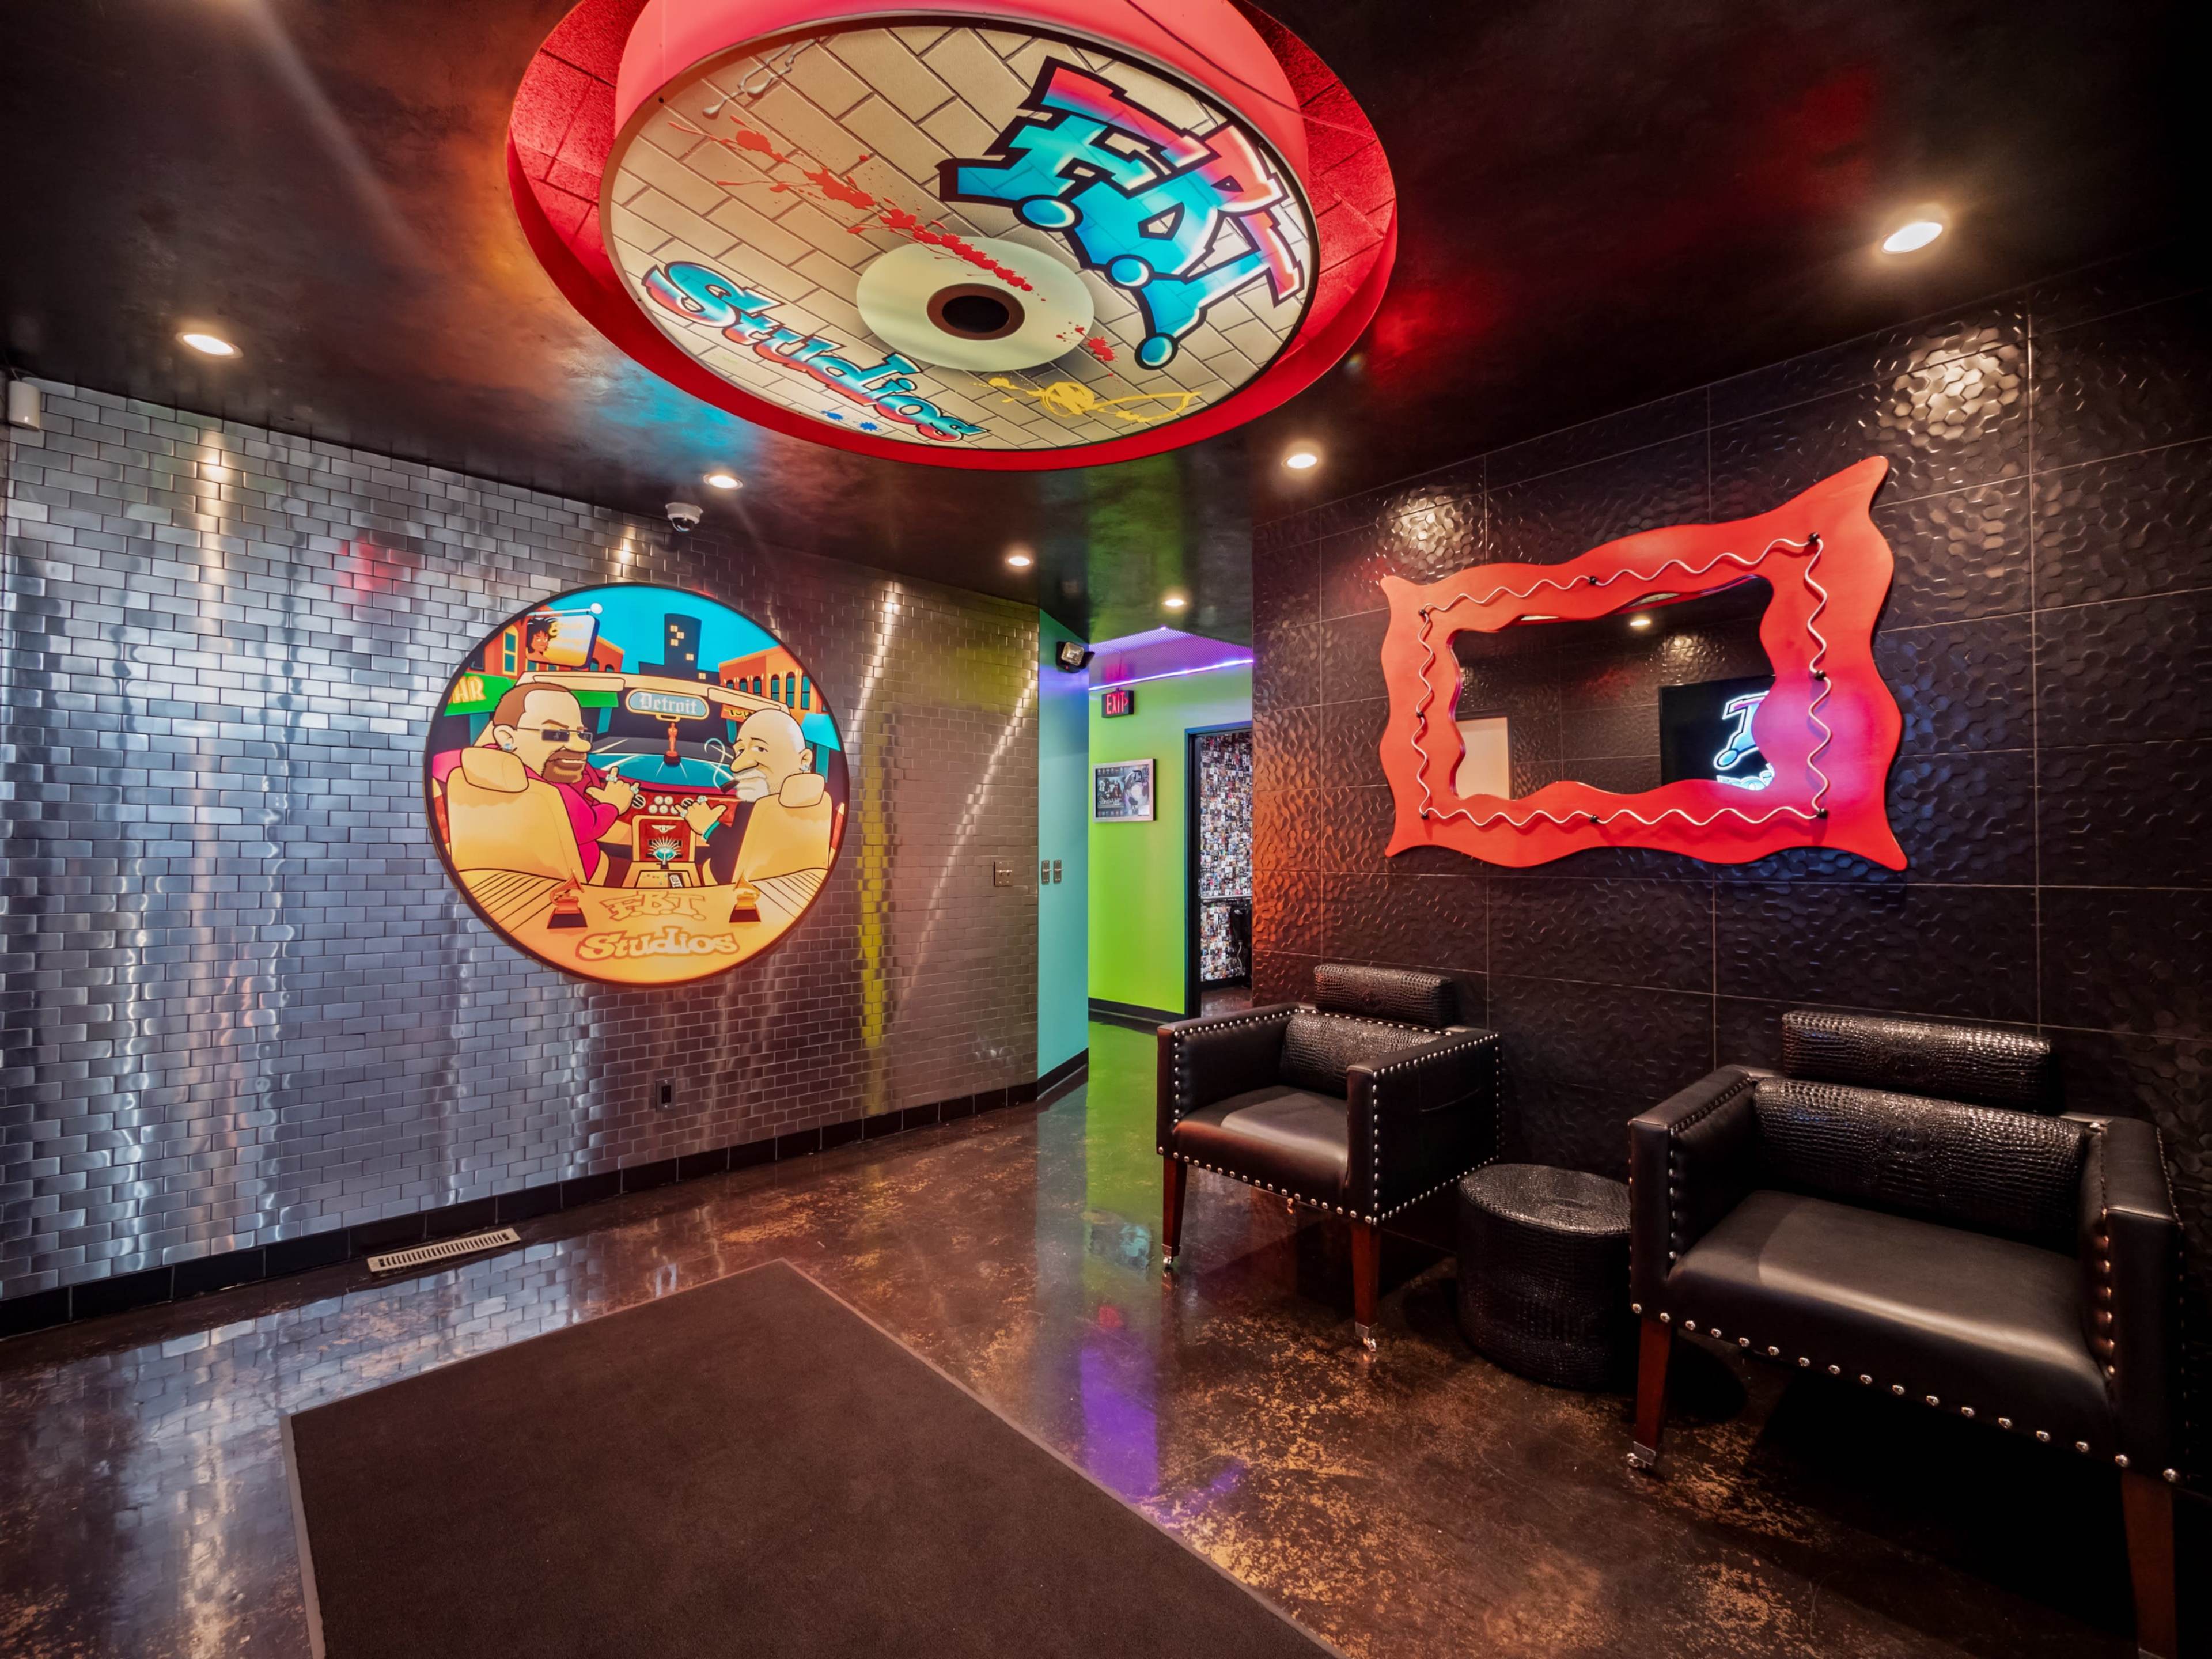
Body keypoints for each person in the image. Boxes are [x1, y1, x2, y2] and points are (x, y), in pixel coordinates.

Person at [430, 684, 635, 881]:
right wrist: (613, 804)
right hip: (579, 877)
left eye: (581, 733)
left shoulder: (467, 774)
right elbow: (591, 826)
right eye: (557, 733)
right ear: (507, 736)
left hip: (504, 876)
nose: (583, 744)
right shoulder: (551, 795)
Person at [725, 706, 834, 882]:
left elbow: (727, 871)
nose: (736, 766)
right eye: (740, 751)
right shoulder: (822, 803)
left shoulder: (752, 810)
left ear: (804, 760)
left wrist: (709, 828)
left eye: (760, 749)